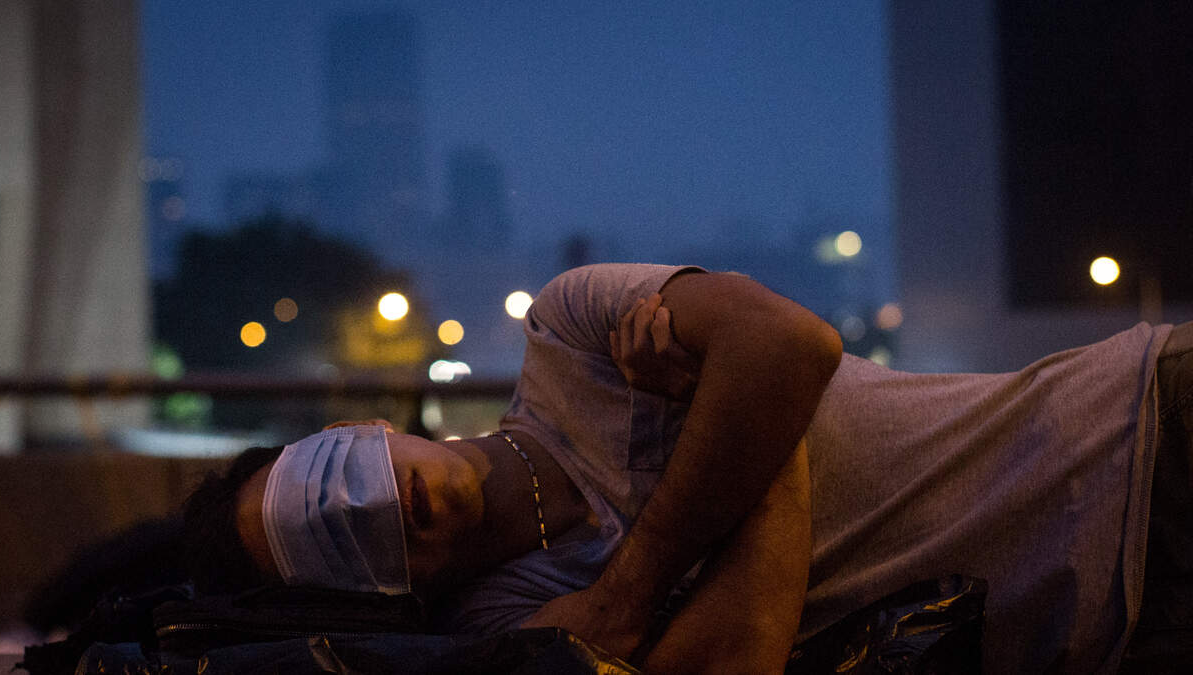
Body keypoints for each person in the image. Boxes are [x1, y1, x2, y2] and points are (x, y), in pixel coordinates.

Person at [183, 263, 1193, 674]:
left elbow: (791, 346)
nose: (377, 509)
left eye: (335, 481)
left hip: (1139, 423)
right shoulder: (509, 630)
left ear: (360, 425)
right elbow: (735, 663)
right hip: (1111, 629)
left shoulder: (567, 334)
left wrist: (636, 584)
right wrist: (731, 408)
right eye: (341, 544)